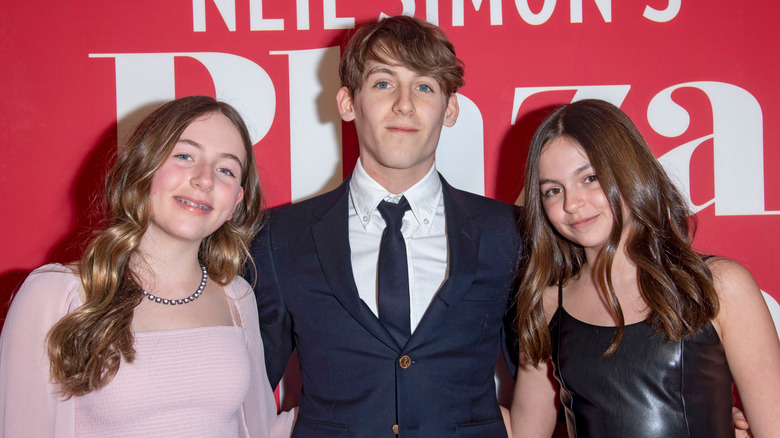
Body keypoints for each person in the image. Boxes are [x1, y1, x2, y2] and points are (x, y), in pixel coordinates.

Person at [248, 15, 521, 437]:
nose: (404, 104)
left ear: (450, 109)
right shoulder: (278, 237)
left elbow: (547, 377)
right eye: (383, 83)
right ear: (347, 102)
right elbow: (242, 392)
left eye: (424, 87)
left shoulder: (509, 232)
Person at [0, 96, 294, 438]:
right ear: (142, 168)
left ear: (235, 202)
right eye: (185, 156)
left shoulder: (236, 297)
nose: (205, 179)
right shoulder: (56, 294)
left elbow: (260, 430)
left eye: (226, 170)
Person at [509, 99, 780, 437]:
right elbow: (523, 431)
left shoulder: (718, 286)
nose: (572, 203)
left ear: (630, 171)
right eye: (552, 190)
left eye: (590, 177)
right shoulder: (546, 304)